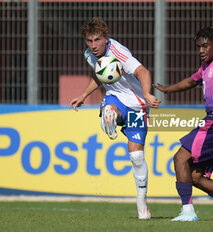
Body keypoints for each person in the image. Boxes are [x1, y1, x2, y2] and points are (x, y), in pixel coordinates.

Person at [154, 27, 213, 222]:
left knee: (180, 158)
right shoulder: (206, 67)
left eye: (205, 46)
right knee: (196, 176)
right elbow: (190, 81)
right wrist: (166, 89)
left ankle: (188, 213)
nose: (201, 50)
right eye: (198, 47)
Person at [69, 17, 161, 220]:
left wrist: (146, 94)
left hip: (138, 105)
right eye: (89, 40)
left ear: (106, 38)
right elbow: (99, 75)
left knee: (136, 157)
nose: (93, 46)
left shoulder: (118, 52)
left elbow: (142, 71)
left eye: (97, 40)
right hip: (115, 98)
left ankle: (141, 201)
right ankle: (111, 118)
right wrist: (83, 95)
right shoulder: (89, 55)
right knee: (110, 108)